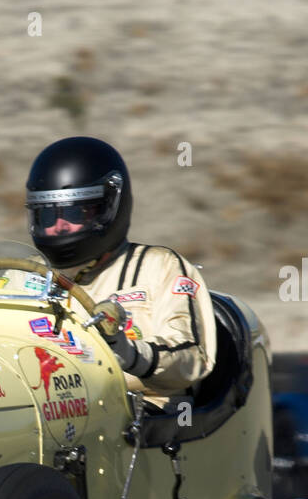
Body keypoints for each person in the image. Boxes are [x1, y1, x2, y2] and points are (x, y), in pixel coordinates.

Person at [18, 136, 216, 406]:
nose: (60, 226)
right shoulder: (22, 275)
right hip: (38, 411)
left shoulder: (159, 267)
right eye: (48, 216)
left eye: (74, 214)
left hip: (134, 419)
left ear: (108, 209)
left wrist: (130, 353)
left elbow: (193, 359)